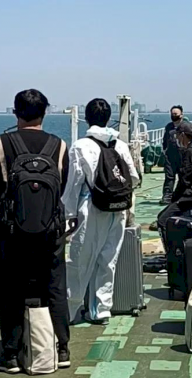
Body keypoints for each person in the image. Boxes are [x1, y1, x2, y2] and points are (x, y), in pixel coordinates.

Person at [0, 89, 70, 373]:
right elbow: (61, 187)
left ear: (15, 113)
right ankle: (62, 347)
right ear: (45, 113)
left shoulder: (0, 143)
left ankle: (10, 353)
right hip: (51, 230)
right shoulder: (59, 146)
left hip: (13, 231)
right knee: (55, 286)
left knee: (12, 288)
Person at [63, 99, 139, 326]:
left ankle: (70, 311)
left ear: (87, 118)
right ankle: (101, 310)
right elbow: (133, 178)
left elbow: (73, 184)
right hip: (118, 208)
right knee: (108, 260)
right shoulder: (120, 144)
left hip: (92, 208)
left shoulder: (81, 146)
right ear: (108, 118)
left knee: (80, 262)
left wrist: (69, 215)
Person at [157, 121, 192, 251]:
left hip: (190, 196)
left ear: (182, 135)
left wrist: (174, 198)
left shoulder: (190, 152)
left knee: (163, 220)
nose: (176, 139)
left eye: (177, 136)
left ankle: (173, 253)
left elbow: (185, 179)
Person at [161, 106, 185, 205]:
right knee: (169, 177)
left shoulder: (186, 126)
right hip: (170, 156)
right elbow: (165, 140)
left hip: (183, 156)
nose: (173, 116)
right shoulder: (169, 127)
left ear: (181, 115)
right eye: (172, 114)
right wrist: (165, 150)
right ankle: (167, 196)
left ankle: (182, 196)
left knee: (183, 177)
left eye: (176, 114)